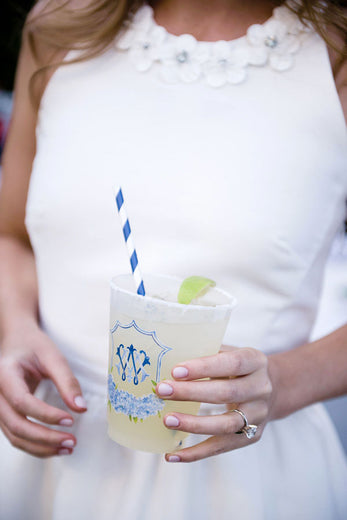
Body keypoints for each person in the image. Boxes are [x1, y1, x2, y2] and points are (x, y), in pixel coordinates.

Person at [0, 0, 346, 518]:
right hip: (48, 452)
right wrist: (14, 330)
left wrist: (282, 383)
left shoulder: (335, 55)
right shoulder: (60, 23)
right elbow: (12, 237)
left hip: (243, 482)